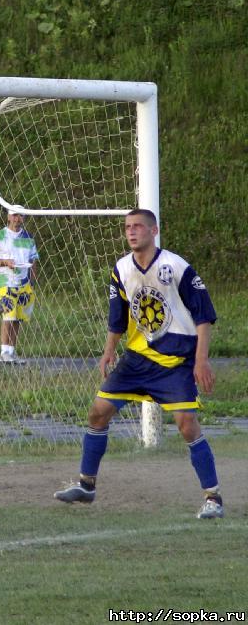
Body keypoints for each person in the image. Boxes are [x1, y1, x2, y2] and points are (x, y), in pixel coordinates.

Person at [54, 209, 222, 519]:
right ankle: (86, 484)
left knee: (186, 424)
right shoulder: (121, 269)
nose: (132, 232)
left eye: (138, 227)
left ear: (154, 230)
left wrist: (201, 361)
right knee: (98, 411)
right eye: (128, 227)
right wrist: (108, 352)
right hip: (137, 359)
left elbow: (204, 316)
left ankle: (213, 498)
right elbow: (116, 318)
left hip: (175, 361)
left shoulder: (176, 266)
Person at [0, 207, 38, 363]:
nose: (17, 219)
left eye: (20, 216)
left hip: (23, 280)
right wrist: (5, 262)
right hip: (4, 279)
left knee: (18, 316)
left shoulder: (29, 237)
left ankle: (12, 352)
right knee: (9, 312)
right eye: (14, 215)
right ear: (8, 217)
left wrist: (32, 282)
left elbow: (33, 261)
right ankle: (3, 351)